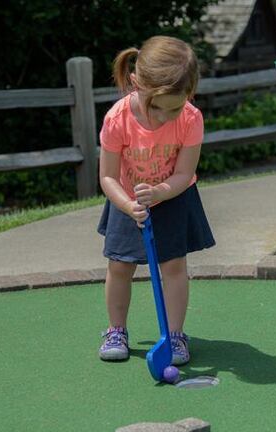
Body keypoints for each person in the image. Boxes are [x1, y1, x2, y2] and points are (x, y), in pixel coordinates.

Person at [96, 36, 215, 366]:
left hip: (174, 196)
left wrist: (161, 192)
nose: (165, 117)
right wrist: (127, 205)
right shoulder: (117, 119)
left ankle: (174, 335)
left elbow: (184, 173)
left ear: (189, 93)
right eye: (157, 107)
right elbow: (107, 176)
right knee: (120, 265)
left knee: (174, 266)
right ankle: (116, 330)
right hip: (127, 198)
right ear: (136, 83)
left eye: (174, 107)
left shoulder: (190, 119)